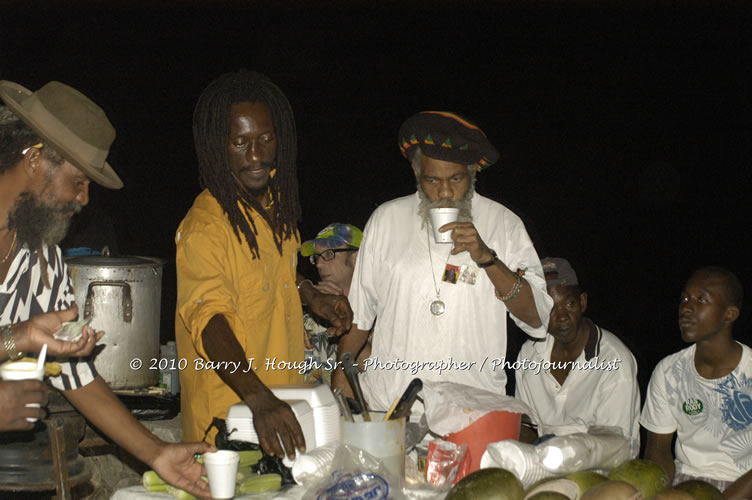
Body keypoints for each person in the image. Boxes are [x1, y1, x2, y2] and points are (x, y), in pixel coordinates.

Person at [0, 80, 211, 498]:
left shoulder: (43, 260)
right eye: (78, 180)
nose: (84, 198)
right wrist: (14, 338)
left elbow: (75, 376)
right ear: (37, 159)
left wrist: (156, 452)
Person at [175, 70, 352, 458]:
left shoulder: (276, 209)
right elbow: (209, 321)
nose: (255, 155)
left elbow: (276, 275)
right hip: (232, 422)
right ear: (217, 146)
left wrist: (309, 295)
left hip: (282, 408)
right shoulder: (206, 227)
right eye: (240, 142)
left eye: (265, 139)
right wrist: (260, 399)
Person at [334, 111, 553, 412]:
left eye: (456, 179)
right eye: (433, 180)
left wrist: (486, 258)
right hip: (393, 406)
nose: (445, 192)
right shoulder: (386, 219)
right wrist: (341, 372)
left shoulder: (503, 224)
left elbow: (537, 318)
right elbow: (360, 313)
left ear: (472, 174)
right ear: (417, 176)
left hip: (472, 409)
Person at [641, 266, 752, 499]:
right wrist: (663, 493)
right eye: (684, 298)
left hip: (742, 487)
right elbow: (658, 450)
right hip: (685, 483)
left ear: (729, 314)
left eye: (701, 299)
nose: (686, 307)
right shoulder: (669, 371)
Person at [514, 258, 640, 452]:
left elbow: (614, 447)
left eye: (570, 304)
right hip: (543, 465)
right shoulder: (529, 355)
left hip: (601, 473)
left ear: (582, 302)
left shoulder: (614, 361)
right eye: (549, 308)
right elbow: (526, 428)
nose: (562, 316)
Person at [299, 222, 368, 384]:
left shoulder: (382, 308)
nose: (319, 264)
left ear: (356, 258)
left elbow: (380, 368)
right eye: (316, 257)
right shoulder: (312, 312)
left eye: (329, 254)